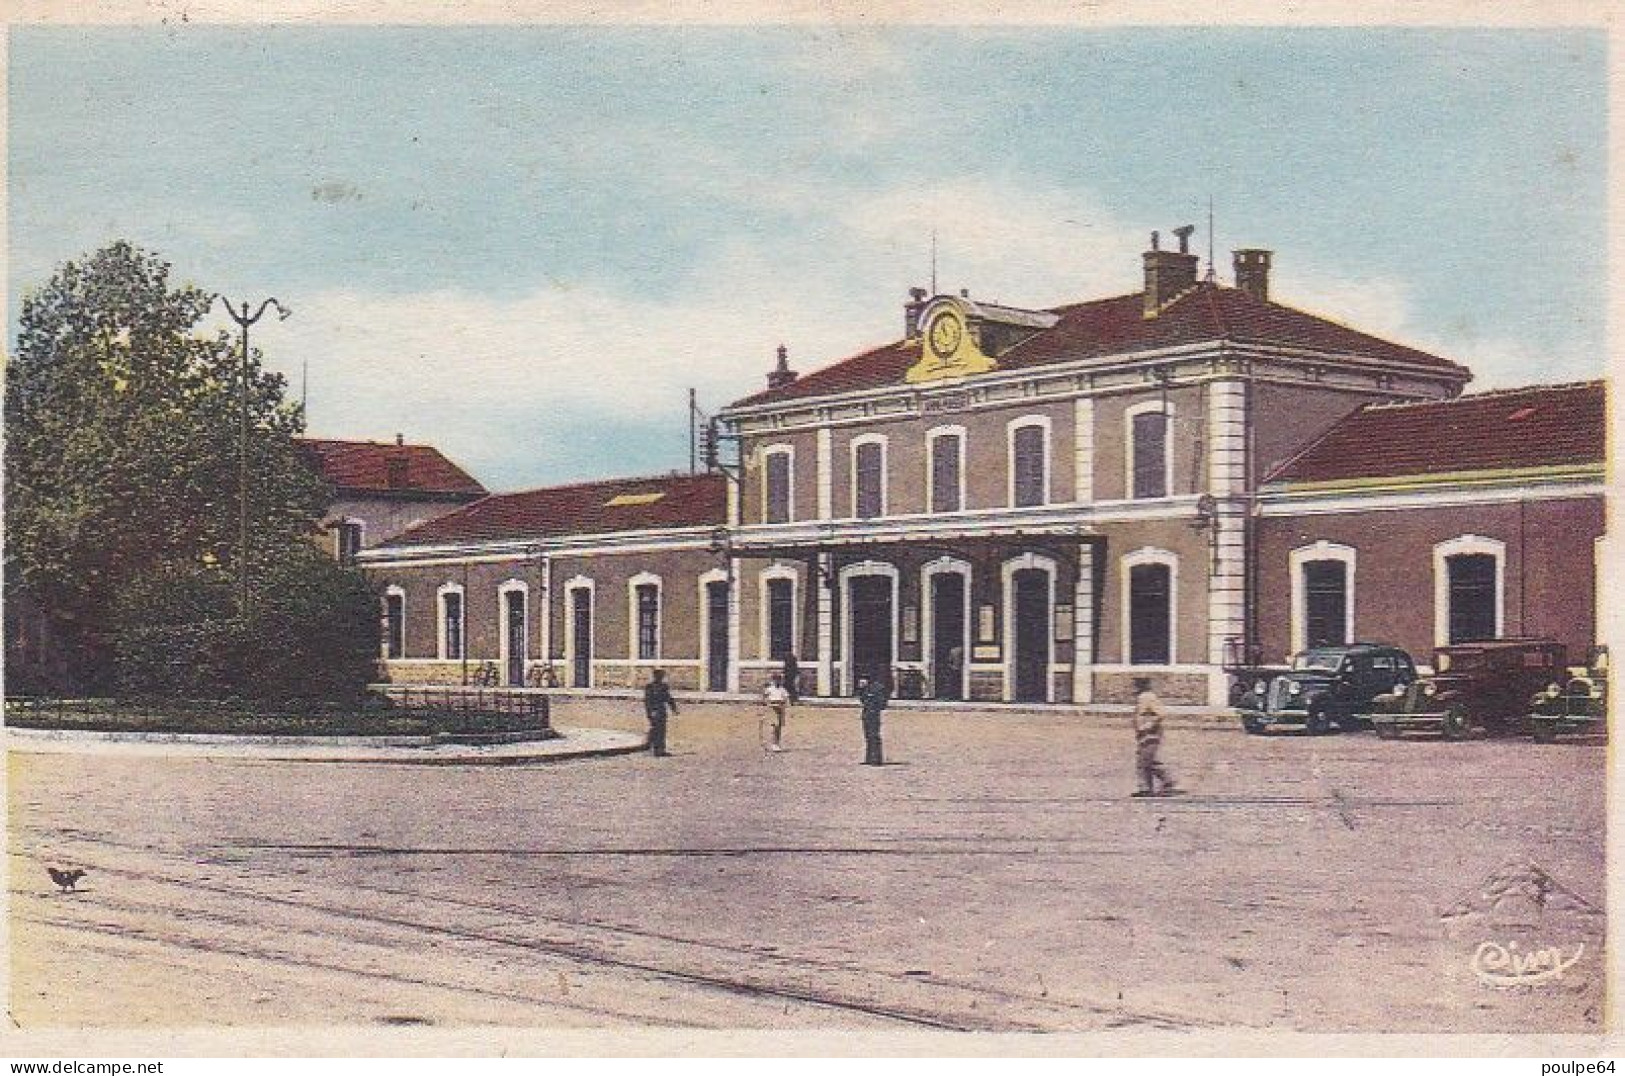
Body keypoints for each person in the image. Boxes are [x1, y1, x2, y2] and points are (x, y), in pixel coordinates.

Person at [1132, 676, 1176, 796]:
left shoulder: (1147, 697)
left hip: (1150, 734)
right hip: (1144, 734)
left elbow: (1160, 713)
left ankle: (1166, 783)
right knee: (1147, 761)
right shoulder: (1143, 697)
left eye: (1136, 685)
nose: (1134, 688)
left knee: (1145, 762)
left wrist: (1148, 726)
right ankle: (1147, 788)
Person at [643, 668, 678, 757]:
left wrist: (674, 708)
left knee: (661, 731)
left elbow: (668, 698)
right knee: (655, 729)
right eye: (659, 676)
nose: (661, 678)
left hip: (661, 711)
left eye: (661, 676)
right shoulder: (649, 687)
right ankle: (653, 747)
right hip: (654, 711)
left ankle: (660, 749)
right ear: (655, 677)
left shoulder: (664, 687)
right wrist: (650, 712)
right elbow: (647, 701)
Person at [856, 675, 888, 766]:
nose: (861, 682)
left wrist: (874, 707)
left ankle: (876, 759)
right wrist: (862, 690)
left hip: (874, 715)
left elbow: (882, 703)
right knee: (868, 737)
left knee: (874, 736)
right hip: (866, 715)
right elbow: (863, 701)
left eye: (863, 681)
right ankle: (869, 758)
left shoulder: (877, 688)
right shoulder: (865, 689)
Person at [761, 672, 791, 752]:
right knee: (774, 726)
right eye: (775, 680)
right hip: (772, 709)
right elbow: (765, 698)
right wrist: (767, 704)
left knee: (779, 727)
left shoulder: (782, 690)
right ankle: (773, 743)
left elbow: (786, 699)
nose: (777, 682)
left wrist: (785, 705)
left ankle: (777, 743)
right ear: (772, 681)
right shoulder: (770, 689)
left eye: (779, 680)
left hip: (780, 709)